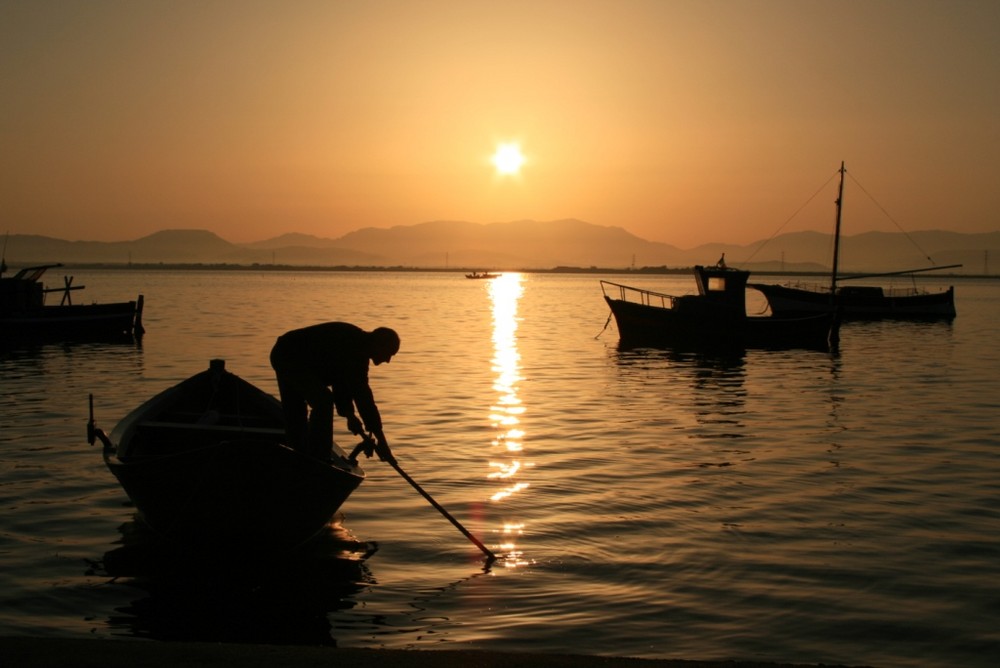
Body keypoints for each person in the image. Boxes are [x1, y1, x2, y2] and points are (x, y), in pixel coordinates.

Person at [269, 322, 399, 462]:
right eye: (388, 353)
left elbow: (348, 388)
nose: (388, 360)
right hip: (287, 355)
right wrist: (381, 441)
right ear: (378, 344)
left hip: (297, 360)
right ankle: (319, 457)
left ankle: (301, 456)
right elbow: (359, 395)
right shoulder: (351, 344)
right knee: (320, 401)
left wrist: (350, 416)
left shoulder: (359, 357)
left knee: (300, 410)